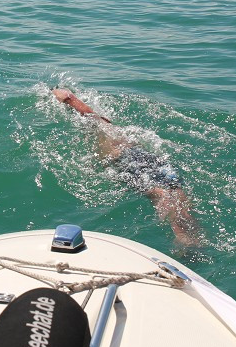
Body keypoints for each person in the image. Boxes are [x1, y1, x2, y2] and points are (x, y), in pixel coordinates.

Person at [52, 88, 201, 248]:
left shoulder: (96, 124)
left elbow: (73, 101)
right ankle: (196, 237)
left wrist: (59, 94)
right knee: (178, 194)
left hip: (128, 161)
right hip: (150, 159)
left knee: (159, 194)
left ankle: (182, 237)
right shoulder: (117, 132)